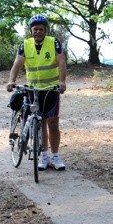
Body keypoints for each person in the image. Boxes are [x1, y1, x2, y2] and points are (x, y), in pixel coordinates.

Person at [6, 14, 67, 170]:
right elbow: (17, 63)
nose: (38, 32)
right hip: (33, 90)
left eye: (41, 29)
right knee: (41, 123)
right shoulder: (25, 45)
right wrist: (11, 80)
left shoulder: (54, 43)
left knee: (53, 124)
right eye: (35, 29)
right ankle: (44, 156)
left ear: (46, 30)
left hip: (50, 89)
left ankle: (55, 156)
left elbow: (61, 62)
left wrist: (62, 82)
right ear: (31, 31)